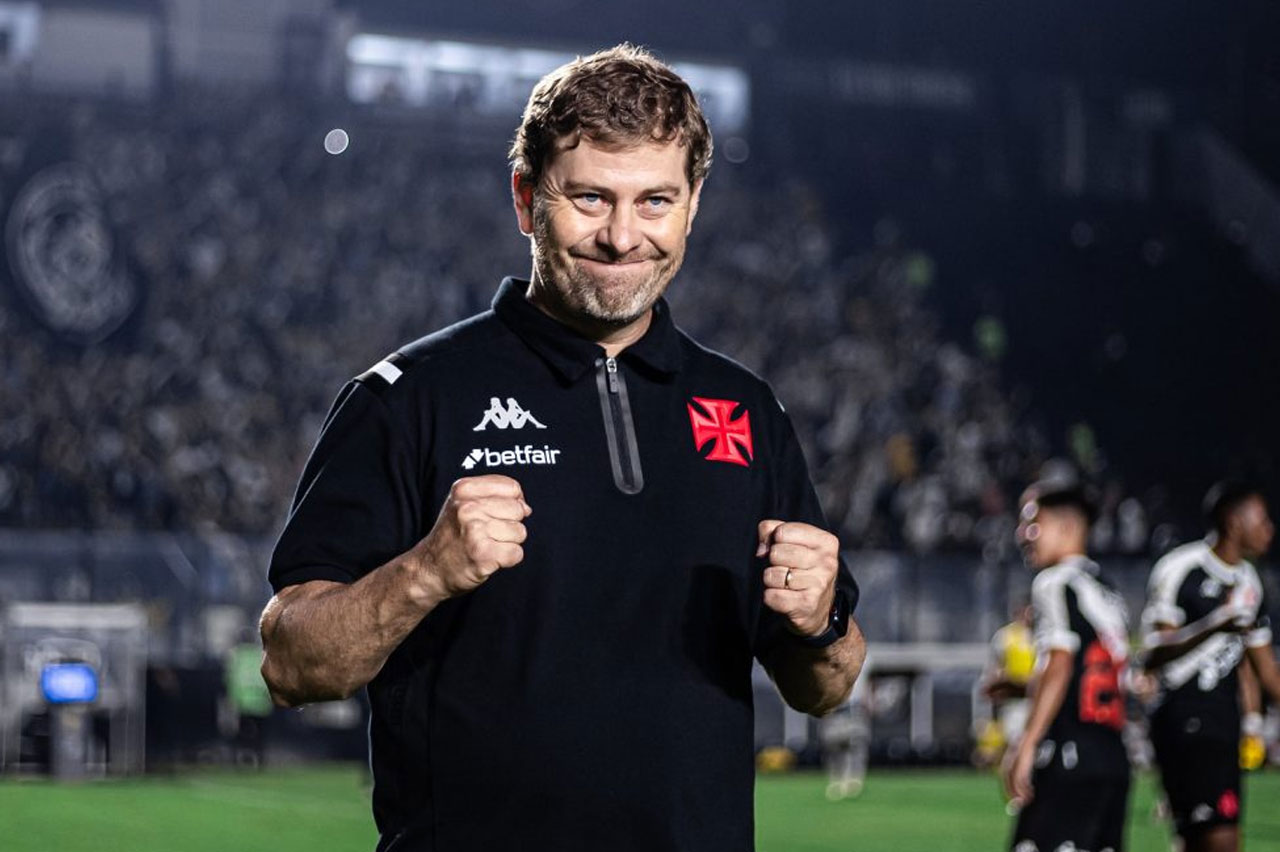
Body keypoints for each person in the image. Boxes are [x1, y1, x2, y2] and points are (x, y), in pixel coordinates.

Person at [258, 44, 865, 852]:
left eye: (655, 201)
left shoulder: (746, 411)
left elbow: (823, 687)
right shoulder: (407, 398)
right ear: (525, 199)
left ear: (692, 207)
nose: (622, 237)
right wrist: (425, 572)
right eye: (589, 198)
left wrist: (821, 620)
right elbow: (293, 663)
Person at [1140, 480, 1280, 852]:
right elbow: (1154, 651)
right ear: (1234, 522)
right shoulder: (1183, 568)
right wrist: (1214, 624)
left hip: (1223, 721)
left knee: (1197, 839)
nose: (1270, 529)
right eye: (1262, 519)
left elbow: (1266, 670)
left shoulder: (1250, 581)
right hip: (1183, 715)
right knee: (1221, 840)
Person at [1003, 481, 1131, 852]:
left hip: (1069, 752)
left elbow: (1060, 663)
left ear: (1067, 527)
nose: (1022, 535)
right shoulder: (1107, 590)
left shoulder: (1053, 582)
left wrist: (1025, 745)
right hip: (1112, 756)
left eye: (1032, 523)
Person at [979, 600, 1036, 767]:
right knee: (1016, 743)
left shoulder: (1044, 635)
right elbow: (994, 667)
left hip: (1038, 697)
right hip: (1015, 702)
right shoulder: (1006, 636)